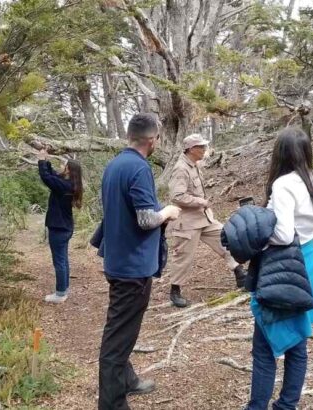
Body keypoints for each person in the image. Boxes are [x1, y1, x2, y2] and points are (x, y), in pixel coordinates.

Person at [245, 127, 313, 410]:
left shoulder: (283, 184)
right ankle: (287, 405)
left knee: (264, 346)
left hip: (282, 264)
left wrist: (253, 239)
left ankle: (256, 407)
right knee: (298, 342)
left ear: (279, 154)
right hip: (308, 266)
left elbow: (283, 235)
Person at [98, 113, 181, 410]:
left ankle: (127, 380)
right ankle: (112, 404)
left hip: (119, 260)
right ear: (151, 140)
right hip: (131, 267)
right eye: (158, 138)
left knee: (124, 330)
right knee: (117, 339)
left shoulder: (115, 165)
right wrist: (168, 211)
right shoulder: (139, 168)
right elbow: (146, 219)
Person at [167, 133, 244, 307]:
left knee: (226, 240)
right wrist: (201, 201)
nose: (204, 150)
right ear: (191, 149)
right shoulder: (181, 168)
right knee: (183, 257)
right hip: (187, 222)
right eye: (201, 147)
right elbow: (177, 196)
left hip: (204, 218)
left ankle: (240, 273)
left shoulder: (194, 165)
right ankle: (175, 291)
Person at [37, 149, 83, 304]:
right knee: (63, 260)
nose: (62, 166)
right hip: (64, 227)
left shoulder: (64, 186)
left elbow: (46, 177)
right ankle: (64, 289)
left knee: (59, 261)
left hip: (59, 228)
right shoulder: (68, 183)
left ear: (69, 169)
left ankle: (60, 293)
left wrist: (42, 160)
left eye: (65, 164)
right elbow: (52, 176)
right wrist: (47, 160)